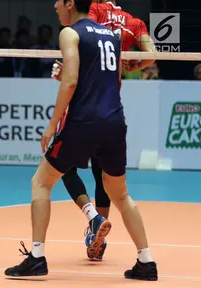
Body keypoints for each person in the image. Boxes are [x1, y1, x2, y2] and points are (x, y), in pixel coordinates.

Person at [4, 0, 158, 281]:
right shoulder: (113, 35)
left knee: (41, 181)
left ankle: (37, 257)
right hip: (115, 121)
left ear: (71, 4)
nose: (54, 6)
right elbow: (114, 73)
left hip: (84, 121)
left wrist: (51, 125)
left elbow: (71, 81)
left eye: (59, 2)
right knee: (120, 195)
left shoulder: (70, 33)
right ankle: (146, 262)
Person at [51, 0, 157, 261]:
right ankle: (99, 237)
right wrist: (137, 66)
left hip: (83, 105)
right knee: (106, 181)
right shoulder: (134, 23)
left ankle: (93, 218)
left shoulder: (93, 11)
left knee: (59, 168)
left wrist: (65, 70)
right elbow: (151, 53)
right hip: (111, 109)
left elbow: (81, 39)